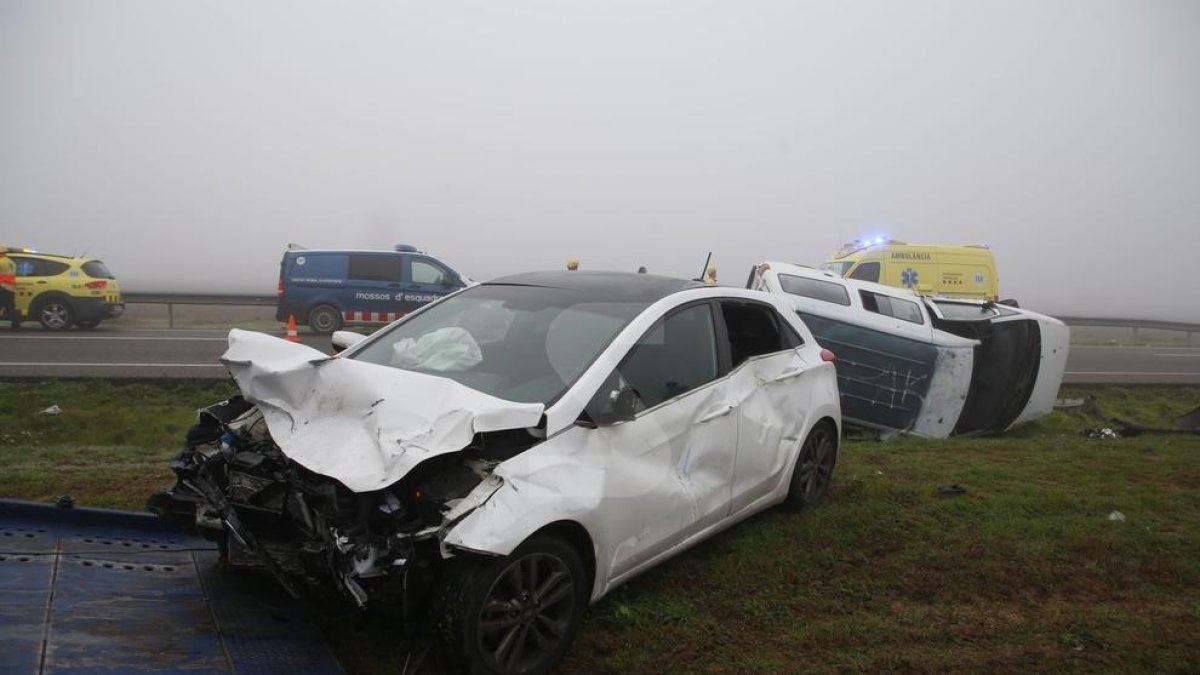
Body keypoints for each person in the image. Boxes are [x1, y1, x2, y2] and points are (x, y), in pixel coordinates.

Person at [0, 245, 20, 330]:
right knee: (11, 307)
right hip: (10, 287)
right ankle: (16, 325)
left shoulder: (1, 262)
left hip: (2, 286)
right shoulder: (11, 262)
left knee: (8, 307)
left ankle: (16, 325)